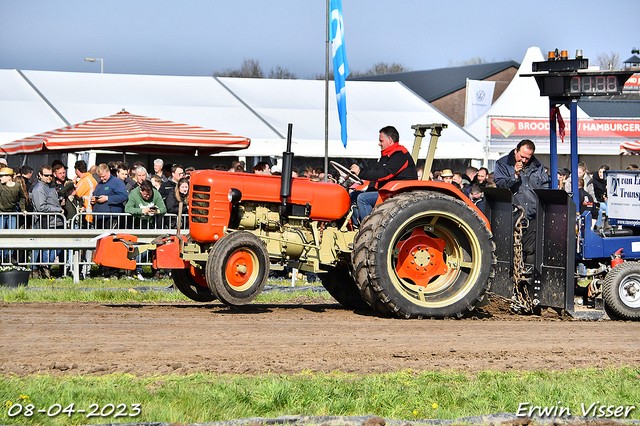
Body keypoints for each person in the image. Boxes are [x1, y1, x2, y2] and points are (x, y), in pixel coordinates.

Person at [494, 139, 550, 266]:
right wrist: (515, 175)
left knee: (531, 250)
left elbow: (545, 186)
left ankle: (528, 280)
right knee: (510, 251)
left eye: (527, 158)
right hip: (511, 216)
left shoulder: (538, 165)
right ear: (516, 150)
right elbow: (500, 186)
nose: (524, 160)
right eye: (522, 156)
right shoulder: (503, 164)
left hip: (532, 216)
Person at [349, 126, 417, 223]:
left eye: (381, 141)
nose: (379, 143)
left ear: (390, 139)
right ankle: (354, 227)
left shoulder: (400, 155)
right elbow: (377, 175)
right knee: (353, 195)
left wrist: (361, 173)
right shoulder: (386, 155)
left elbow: (385, 175)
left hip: (397, 194)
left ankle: (367, 228)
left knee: (363, 199)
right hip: (387, 191)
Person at [125, 180, 167, 280]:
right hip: (137, 226)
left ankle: (156, 271)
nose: (147, 197)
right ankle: (137, 270)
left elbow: (164, 208)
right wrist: (140, 211)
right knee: (139, 249)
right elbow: (127, 208)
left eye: (149, 195)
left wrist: (157, 211)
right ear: (141, 191)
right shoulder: (134, 193)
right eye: (145, 195)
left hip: (152, 226)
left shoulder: (156, 194)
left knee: (154, 248)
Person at [31, 165, 65, 278]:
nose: (49, 177)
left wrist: (59, 203)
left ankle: (44, 268)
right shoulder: (39, 188)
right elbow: (41, 207)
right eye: (46, 175)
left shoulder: (50, 186)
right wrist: (58, 210)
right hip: (45, 221)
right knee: (46, 248)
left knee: (57, 246)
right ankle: (42, 270)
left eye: (51, 175)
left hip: (55, 221)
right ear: (40, 175)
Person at [0, 167, 27, 264]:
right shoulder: (0, 186)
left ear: (9, 177)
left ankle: (9, 255)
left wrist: (23, 209)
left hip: (12, 214)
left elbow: (22, 198)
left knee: (12, 235)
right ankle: (2, 256)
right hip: (1, 214)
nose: (1, 178)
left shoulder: (17, 187)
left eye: (2, 176)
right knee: (1, 235)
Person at [92, 163, 129, 230]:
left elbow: (124, 196)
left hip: (110, 218)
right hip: (98, 218)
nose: (102, 178)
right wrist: (94, 199)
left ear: (108, 172)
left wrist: (107, 198)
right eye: (100, 177)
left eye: (103, 176)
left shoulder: (117, 182)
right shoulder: (99, 184)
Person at [74, 160, 97, 228]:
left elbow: (75, 194)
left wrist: (73, 183)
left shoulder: (84, 181)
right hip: (91, 214)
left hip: (87, 215)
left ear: (77, 170)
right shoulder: (92, 179)